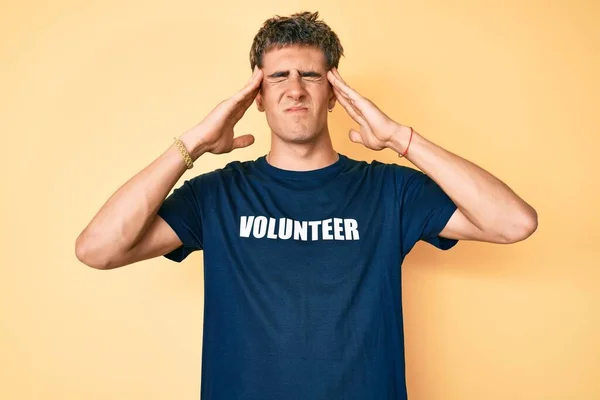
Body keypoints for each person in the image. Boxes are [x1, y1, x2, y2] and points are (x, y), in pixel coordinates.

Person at [75, 11, 538, 400]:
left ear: (334, 93)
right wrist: (192, 144)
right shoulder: (217, 194)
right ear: (257, 97)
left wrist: (400, 138)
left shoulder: (389, 190)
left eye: (311, 75)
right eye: (278, 76)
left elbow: (513, 222)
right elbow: (97, 249)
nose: (294, 89)